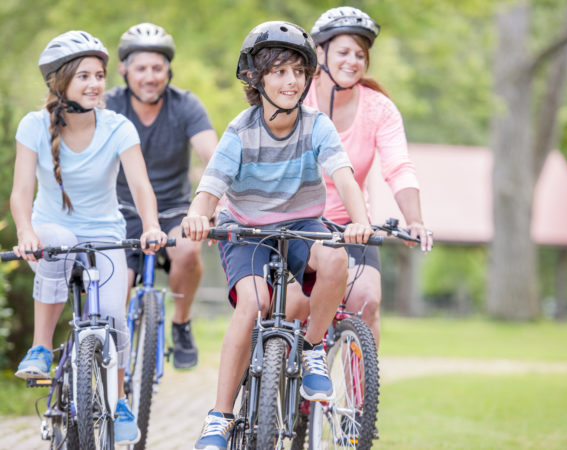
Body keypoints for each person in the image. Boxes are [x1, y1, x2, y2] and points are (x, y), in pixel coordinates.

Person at [181, 21, 373, 450]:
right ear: (256, 77)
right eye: (280, 71)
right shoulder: (240, 131)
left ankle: (311, 347)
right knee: (254, 303)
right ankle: (220, 416)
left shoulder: (316, 125)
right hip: (247, 229)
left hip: (302, 224)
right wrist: (198, 216)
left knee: (338, 257)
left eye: (299, 72)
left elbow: (343, 177)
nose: (292, 81)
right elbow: (210, 189)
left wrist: (358, 220)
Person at [11, 30, 167, 445]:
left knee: (114, 317)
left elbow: (140, 187)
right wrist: (26, 232)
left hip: (107, 237)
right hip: (49, 235)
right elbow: (21, 194)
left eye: (99, 75)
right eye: (83, 76)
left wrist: (150, 224)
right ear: (60, 82)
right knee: (59, 239)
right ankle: (41, 349)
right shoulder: (33, 126)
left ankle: (117, 401)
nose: (95, 84)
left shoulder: (118, 127)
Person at [287, 7, 434, 346]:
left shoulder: (378, 108)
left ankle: (360, 399)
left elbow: (398, 167)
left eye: (360, 54)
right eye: (343, 52)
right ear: (319, 52)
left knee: (366, 302)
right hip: (291, 221)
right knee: (291, 305)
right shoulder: (295, 95)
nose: (352, 61)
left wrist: (415, 220)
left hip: (350, 225)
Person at [104, 23, 218, 369]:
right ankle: (115, 378)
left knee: (187, 248)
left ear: (168, 70)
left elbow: (214, 159)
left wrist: (215, 204)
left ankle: (181, 323)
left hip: (174, 209)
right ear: (124, 70)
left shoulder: (185, 105)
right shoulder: (107, 105)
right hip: (120, 210)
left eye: (158, 68)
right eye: (141, 68)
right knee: (117, 288)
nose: (150, 77)